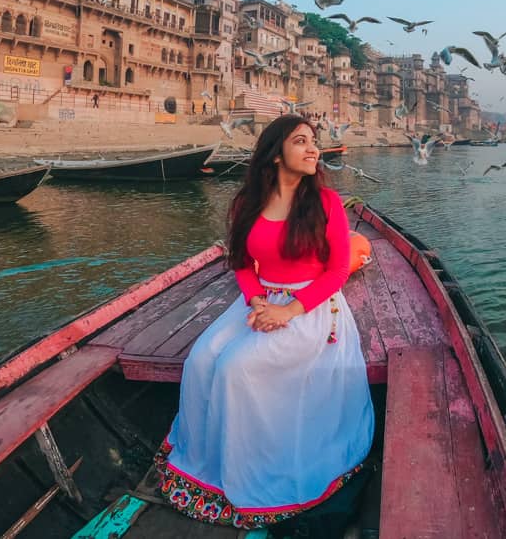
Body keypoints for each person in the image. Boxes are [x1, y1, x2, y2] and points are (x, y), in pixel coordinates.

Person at [155, 114, 374, 530]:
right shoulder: (246, 204)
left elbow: (335, 273)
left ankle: (251, 473)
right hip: (259, 300)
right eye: (301, 141)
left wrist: (289, 310)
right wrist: (256, 300)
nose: (313, 149)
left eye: (314, 141)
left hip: (311, 306)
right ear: (275, 154)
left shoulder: (325, 203)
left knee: (238, 366)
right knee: (202, 360)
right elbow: (241, 262)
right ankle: (208, 468)